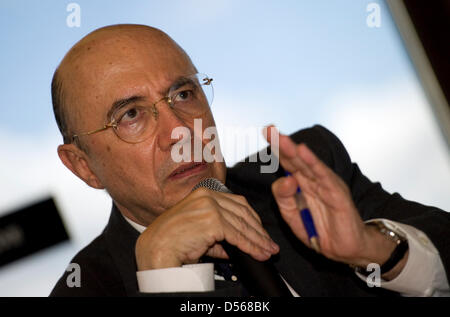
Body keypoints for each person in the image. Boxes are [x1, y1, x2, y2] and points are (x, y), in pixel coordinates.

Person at [50, 24, 449, 297]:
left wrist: (376, 249)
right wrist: (167, 279)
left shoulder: (296, 175)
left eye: (184, 95)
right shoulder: (86, 287)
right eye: (131, 116)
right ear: (82, 165)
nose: (180, 132)